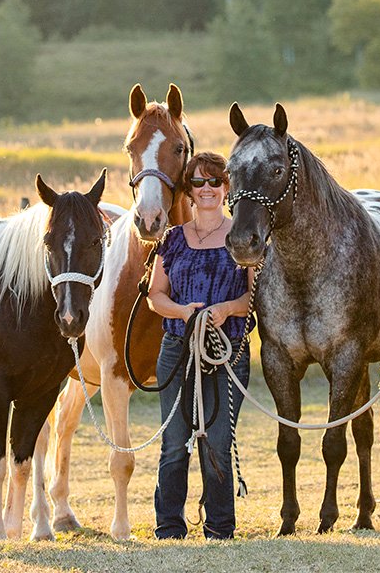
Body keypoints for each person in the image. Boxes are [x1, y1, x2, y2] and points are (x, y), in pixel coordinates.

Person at [147, 151, 254, 540]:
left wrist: (225, 309)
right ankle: (169, 526)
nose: (206, 189)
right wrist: (182, 311)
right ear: (189, 192)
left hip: (227, 352)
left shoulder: (243, 238)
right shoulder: (173, 239)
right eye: (198, 182)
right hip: (177, 350)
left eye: (215, 181)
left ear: (227, 188)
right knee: (174, 443)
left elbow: (253, 298)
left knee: (217, 443)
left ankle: (220, 528)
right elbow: (155, 295)